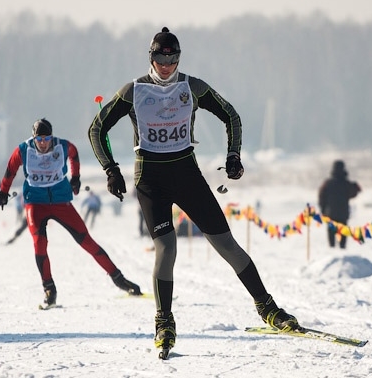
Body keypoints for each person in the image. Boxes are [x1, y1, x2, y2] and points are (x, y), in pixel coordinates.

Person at [88, 27, 299, 355]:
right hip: (151, 181)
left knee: (226, 245)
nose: (167, 65)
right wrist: (110, 169)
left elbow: (231, 115)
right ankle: (164, 321)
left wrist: (233, 156)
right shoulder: (134, 91)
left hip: (187, 175)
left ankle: (268, 308)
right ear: (151, 57)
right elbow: (97, 128)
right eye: (161, 58)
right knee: (167, 248)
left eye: (173, 58)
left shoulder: (191, 87)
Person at [0, 118, 142, 309]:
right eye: (39, 138)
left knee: (86, 241)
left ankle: (120, 280)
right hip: (35, 203)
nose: (43, 143)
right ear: (33, 138)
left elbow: (74, 154)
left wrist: (76, 178)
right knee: (39, 244)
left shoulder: (62, 147)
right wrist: (4, 192)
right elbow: (10, 171)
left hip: (60, 202)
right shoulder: (23, 150)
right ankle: (49, 290)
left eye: (46, 138)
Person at [318, 160, 361, 249]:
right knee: (343, 231)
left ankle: (332, 249)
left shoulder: (328, 183)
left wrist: (323, 210)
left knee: (331, 231)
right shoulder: (346, 183)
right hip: (343, 212)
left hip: (330, 212)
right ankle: (342, 249)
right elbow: (353, 193)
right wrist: (356, 187)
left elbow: (322, 197)